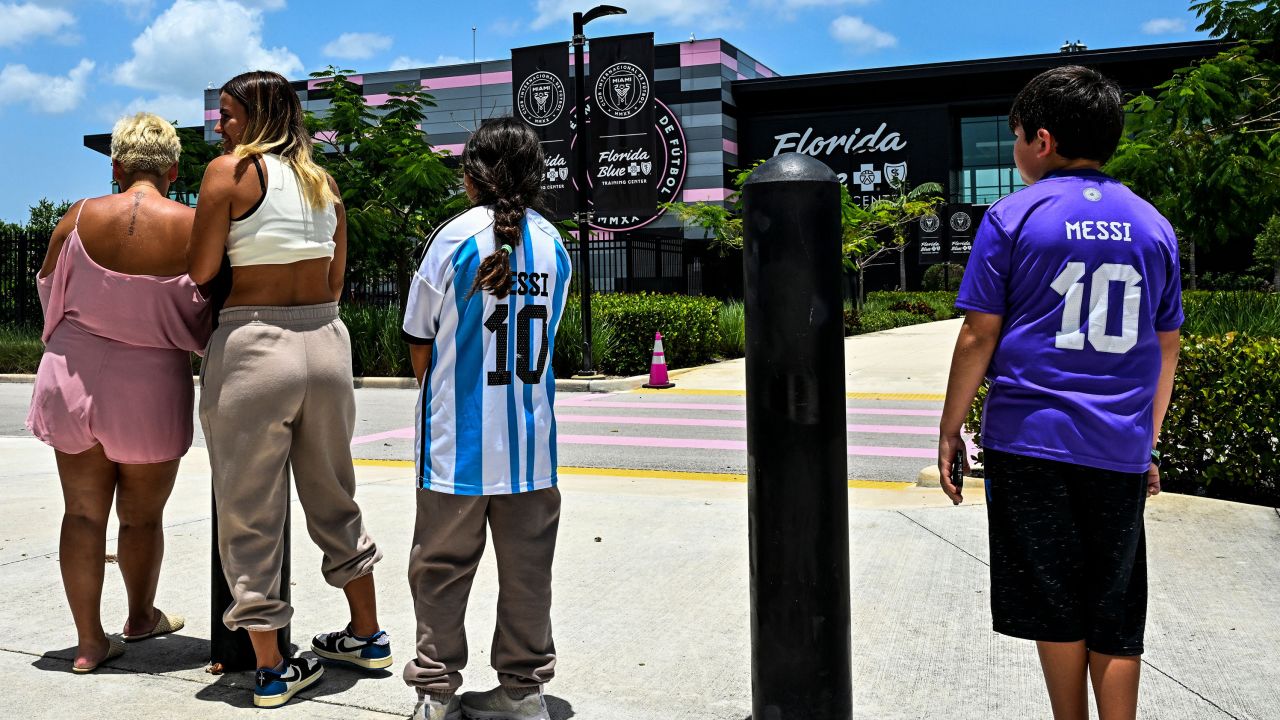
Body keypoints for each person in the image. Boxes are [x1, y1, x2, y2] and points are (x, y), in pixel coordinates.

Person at [937, 65, 1182, 720]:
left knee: (1056, 598)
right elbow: (1165, 345)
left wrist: (948, 429)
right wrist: (1146, 439)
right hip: (1119, 449)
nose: (1016, 151)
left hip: (1031, 442)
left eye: (1016, 139)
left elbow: (977, 337)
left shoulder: (1013, 216)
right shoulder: (1153, 226)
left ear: (1040, 140)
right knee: (1116, 604)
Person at [189, 70, 388, 709]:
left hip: (255, 343)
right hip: (327, 344)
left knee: (249, 508)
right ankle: (367, 634)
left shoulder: (228, 174)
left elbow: (201, 269)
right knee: (334, 493)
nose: (220, 126)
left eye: (227, 114)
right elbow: (334, 281)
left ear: (257, 115)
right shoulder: (324, 183)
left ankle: (274, 668)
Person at [400, 117, 572, 720]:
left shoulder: (452, 239)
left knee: (440, 570)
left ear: (470, 175)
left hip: (457, 448)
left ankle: (436, 694)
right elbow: (545, 336)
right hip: (532, 448)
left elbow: (419, 340)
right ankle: (525, 695)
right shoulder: (555, 246)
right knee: (528, 574)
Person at [27, 112, 210, 672]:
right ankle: (140, 616)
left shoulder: (79, 217)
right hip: (151, 384)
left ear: (116, 165)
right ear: (174, 169)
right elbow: (207, 315)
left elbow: (47, 289)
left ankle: (88, 642)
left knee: (81, 515)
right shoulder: (193, 227)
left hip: (72, 374)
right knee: (142, 518)